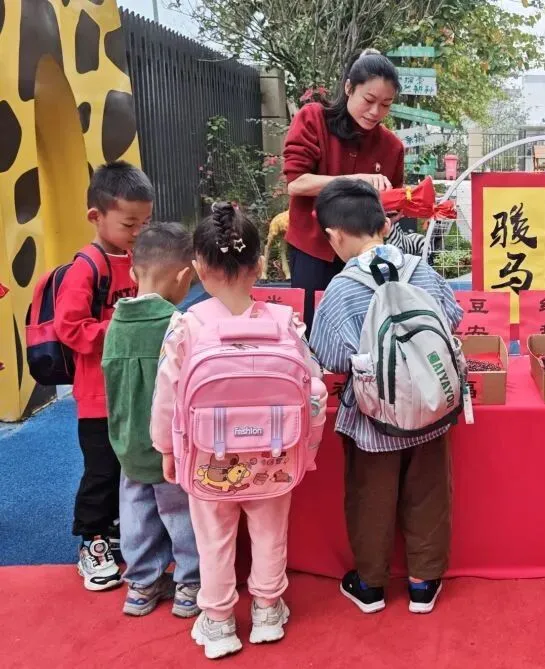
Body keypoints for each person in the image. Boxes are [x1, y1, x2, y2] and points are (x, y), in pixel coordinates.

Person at [151, 204, 323, 659]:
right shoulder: (285, 323)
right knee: (270, 534)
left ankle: (220, 620)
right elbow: (314, 389)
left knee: (213, 540)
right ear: (260, 266)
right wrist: (307, 448)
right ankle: (267, 610)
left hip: (208, 457)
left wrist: (166, 448)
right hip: (275, 455)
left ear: (198, 268)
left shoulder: (187, 326)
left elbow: (167, 395)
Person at [309, 179, 463, 616]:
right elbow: (452, 317)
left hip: (372, 419)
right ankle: (423, 584)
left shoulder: (342, 288)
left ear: (335, 235)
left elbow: (330, 356)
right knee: (429, 494)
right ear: (384, 224)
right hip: (431, 408)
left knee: (370, 499)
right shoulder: (421, 271)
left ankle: (371, 586)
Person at [54, 161, 153, 591]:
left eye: (144, 223)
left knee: (131, 466)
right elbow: (70, 328)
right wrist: (121, 328)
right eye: (130, 224)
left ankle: (117, 530)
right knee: (101, 470)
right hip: (97, 395)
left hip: (132, 389)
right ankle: (92, 541)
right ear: (96, 216)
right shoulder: (86, 267)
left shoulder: (134, 260)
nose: (138, 232)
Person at [101, 222, 200, 617]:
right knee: (182, 514)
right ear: (184, 276)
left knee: (136, 514)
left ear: (132, 272)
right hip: (169, 446)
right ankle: (190, 583)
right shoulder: (179, 325)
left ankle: (142, 585)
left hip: (126, 441)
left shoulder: (115, 325)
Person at [282, 48, 405, 330]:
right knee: (310, 326)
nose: (375, 112)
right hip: (313, 248)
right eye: (369, 100)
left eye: (385, 105)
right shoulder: (313, 119)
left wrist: (393, 210)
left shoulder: (392, 146)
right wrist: (356, 181)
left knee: (363, 329)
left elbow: (391, 199)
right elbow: (296, 183)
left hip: (364, 257)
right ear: (349, 88)